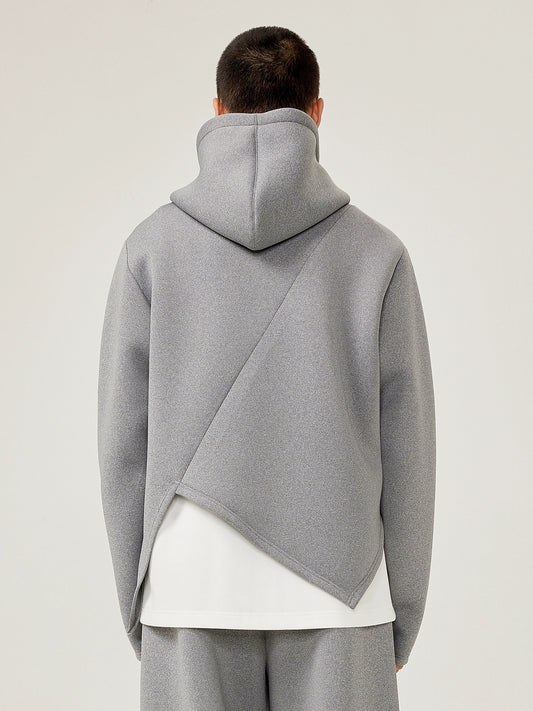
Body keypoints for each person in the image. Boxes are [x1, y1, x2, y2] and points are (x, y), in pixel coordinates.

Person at [97, 25, 436, 711]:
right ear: (316, 113)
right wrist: (402, 610)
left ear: (217, 111)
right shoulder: (378, 255)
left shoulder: (149, 250)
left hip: (189, 583)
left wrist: (139, 596)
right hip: (342, 585)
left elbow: (121, 447)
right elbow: (409, 450)